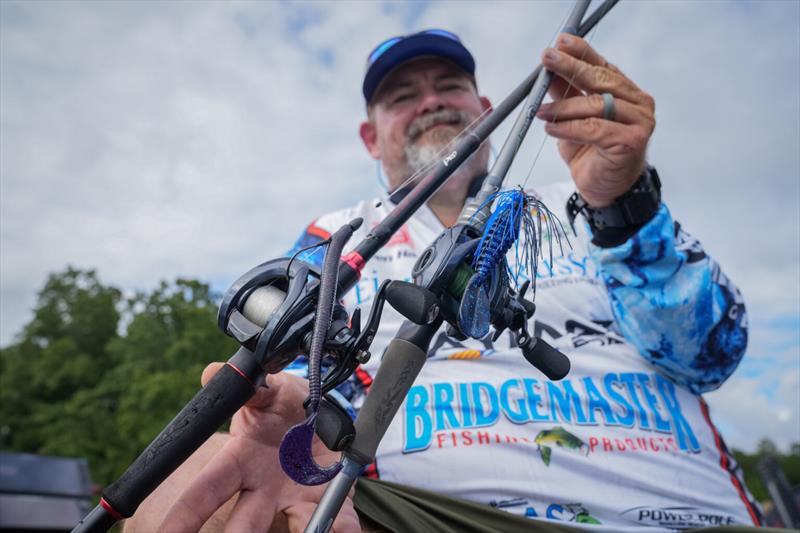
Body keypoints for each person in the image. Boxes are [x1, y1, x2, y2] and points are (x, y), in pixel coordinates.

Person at [126, 29, 762, 532]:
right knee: (198, 485)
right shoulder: (336, 235)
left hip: (684, 516)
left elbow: (709, 356)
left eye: (449, 85)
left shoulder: (591, 196)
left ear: (487, 110)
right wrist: (297, 414)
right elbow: (315, 384)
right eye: (403, 96)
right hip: (432, 516)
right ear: (371, 137)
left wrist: (624, 205)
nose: (430, 101)